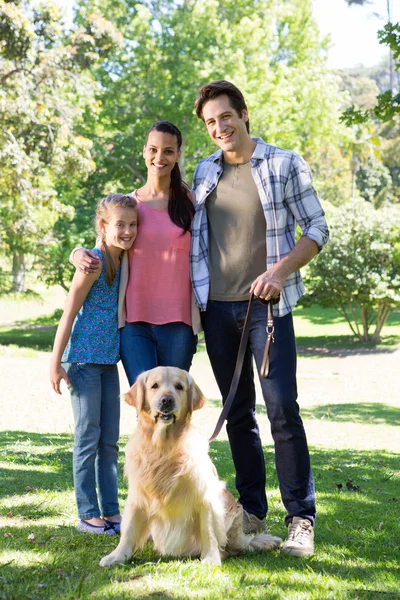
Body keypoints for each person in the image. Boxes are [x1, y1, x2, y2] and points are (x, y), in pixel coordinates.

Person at [191, 80, 329, 557]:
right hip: (217, 310)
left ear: (244, 114)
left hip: (267, 311)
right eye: (210, 122)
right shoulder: (204, 170)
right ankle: (252, 508)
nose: (219, 128)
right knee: (238, 415)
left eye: (225, 116)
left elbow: (316, 228)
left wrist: (278, 271)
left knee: (282, 410)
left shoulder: (284, 163)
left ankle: (300, 519)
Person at [71, 121, 199, 386]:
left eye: (167, 151)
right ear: (144, 152)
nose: (159, 157)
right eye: (153, 149)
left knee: (171, 406)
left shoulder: (192, 204)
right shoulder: (130, 205)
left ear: (178, 155)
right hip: (134, 323)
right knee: (144, 406)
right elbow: (103, 247)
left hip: (179, 324)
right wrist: (76, 254)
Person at [50, 194, 138, 534]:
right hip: (83, 361)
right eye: (120, 225)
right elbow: (69, 313)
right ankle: (87, 512)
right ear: (103, 227)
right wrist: (55, 363)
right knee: (88, 437)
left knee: (109, 441)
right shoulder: (94, 263)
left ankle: (112, 511)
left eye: (132, 225)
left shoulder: (126, 260)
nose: (127, 231)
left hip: (107, 363)